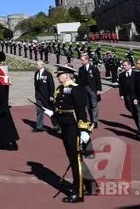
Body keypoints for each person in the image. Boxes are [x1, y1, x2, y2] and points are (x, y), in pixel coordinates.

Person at [52, 64, 93, 204]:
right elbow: (59, 106)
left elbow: (81, 111)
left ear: (67, 75)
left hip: (73, 127)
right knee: (74, 157)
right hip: (64, 126)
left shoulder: (76, 89)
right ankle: (89, 185)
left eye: (59, 74)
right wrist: (53, 113)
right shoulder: (60, 89)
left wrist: (83, 130)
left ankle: (78, 192)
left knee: (76, 160)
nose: (57, 77)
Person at [76, 55, 101, 128]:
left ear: (87, 60)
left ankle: (95, 121)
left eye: (82, 60)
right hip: (84, 89)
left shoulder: (94, 69)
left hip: (92, 89)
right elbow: (80, 80)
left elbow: (98, 79)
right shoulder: (81, 69)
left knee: (94, 105)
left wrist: (98, 89)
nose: (81, 62)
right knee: (88, 106)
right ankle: (91, 119)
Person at [33, 61, 58, 132]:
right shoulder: (36, 73)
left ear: (42, 65)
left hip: (46, 96)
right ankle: (39, 127)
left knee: (50, 111)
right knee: (39, 110)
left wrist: (51, 95)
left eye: (37, 64)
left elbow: (51, 85)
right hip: (38, 96)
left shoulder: (48, 74)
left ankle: (56, 125)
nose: (36, 65)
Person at [118, 60, 140, 134]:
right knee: (133, 112)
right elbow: (120, 86)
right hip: (127, 96)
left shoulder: (137, 74)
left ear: (130, 65)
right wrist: (121, 95)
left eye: (125, 65)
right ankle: (139, 127)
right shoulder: (121, 75)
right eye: (123, 65)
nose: (124, 67)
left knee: (138, 112)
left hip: (136, 96)